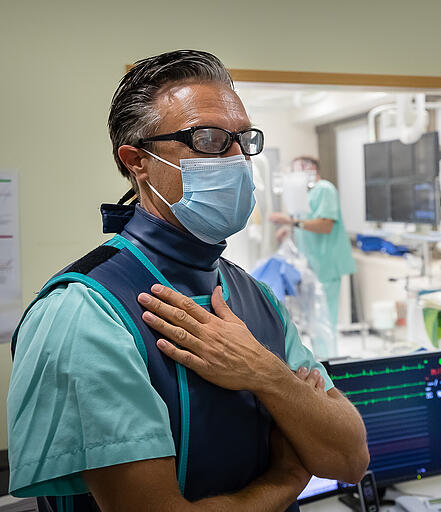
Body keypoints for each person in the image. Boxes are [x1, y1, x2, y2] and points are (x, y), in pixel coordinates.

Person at [7, 50, 369, 512]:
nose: (237, 158)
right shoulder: (83, 311)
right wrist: (285, 478)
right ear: (137, 161)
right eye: (210, 139)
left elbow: (349, 457)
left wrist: (268, 375)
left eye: (243, 139)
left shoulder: (252, 294)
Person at [269, 157, 356, 344]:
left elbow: (325, 225)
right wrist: (288, 229)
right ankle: (320, 362)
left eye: (296, 171)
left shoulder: (324, 189)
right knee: (315, 323)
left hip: (326, 265)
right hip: (312, 266)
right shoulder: (306, 195)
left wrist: (290, 221)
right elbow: (305, 223)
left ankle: (328, 365)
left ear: (309, 169)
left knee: (325, 321)